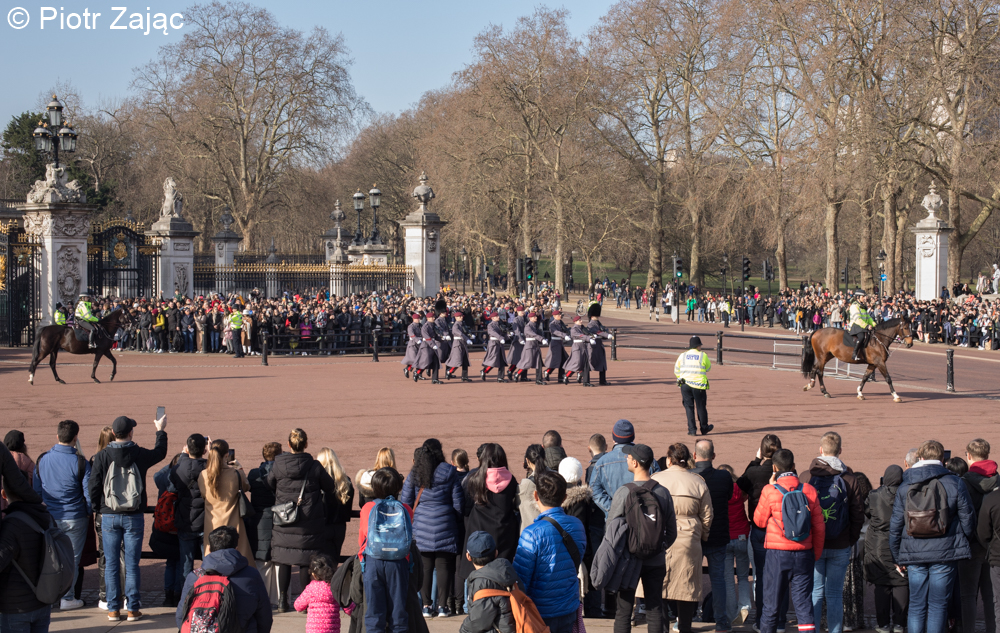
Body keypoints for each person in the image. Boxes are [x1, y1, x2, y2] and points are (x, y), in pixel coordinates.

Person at [889, 440, 976, 633]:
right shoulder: (955, 482)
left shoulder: (905, 485)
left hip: (914, 551)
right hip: (945, 550)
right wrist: (962, 541)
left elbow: (895, 524)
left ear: (920, 457)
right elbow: (968, 518)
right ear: (942, 458)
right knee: (938, 605)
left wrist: (896, 555)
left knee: (916, 604)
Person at [88, 413, 168, 622]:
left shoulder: (102, 456)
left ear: (114, 433)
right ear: (130, 432)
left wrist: (98, 507)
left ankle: (113, 609)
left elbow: (93, 485)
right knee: (132, 564)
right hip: (134, 515)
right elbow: (160, 452)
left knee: (111, 564)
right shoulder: (139, 453)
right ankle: (132, 608)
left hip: (109, 514)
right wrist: (160, 431)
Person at [603, 443, 677, 633]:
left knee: (623, 611)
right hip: (656, 558)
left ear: (635, 463)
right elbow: (672, 531)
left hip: (628, 560)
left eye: (629, 457)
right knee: (655, 609)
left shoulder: (624, 492)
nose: (626, 459)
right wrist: (658, 546)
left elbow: (611, 529)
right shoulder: (662, 492)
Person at [754, 448, 826, 633]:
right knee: (804, 606)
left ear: (774, 468)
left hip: (777, 554)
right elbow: (819, 527)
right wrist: (815, 554)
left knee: (771, 606)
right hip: (804, 553)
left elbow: (759, 521)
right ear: (793, 466)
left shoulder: (770, 491)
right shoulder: (809, 490)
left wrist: (770, 486)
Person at [267, 428, 338, 612]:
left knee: (284, 559)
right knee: (306, 561)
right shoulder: (314, 466)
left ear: (289, 444)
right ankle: (304, 602)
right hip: (309, 521)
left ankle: (282, 601)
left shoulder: (278, 464)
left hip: (285, 519)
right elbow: (329, 486)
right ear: (306, 444)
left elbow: (270, 483)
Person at [803, 432, 866, 633]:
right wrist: (850, 539)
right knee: (835, 594)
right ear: (840, 451)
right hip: (840, 543)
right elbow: (858, 514)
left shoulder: (806, 477)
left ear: (820, 450)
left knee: (815, 592)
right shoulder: (850, 479)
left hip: (814, 543)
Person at [513, 470, 587, 633]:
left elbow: (521, 579)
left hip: (539, 611)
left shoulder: (531, 533)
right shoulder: (577, 525)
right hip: (568, 605)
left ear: (536, 496)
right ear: (565, 497)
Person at [651, 443, 712, 633]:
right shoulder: (698, 482)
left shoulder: (656, 479)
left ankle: (661, 628)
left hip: (660, 537)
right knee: (687, 586)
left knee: (658, 586)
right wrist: (702, 535)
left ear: (669, 460)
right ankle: (684, 627)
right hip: (688, 538)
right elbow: (707, 515)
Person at [32, 419, 91, 612]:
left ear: (57, 436)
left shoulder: (42, 460)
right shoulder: (80, 462)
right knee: (72, 559)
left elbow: (37, 492)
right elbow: (88, 494)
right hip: (75, 517)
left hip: (50, 516)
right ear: (75, 438)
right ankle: (67, 596)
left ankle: (48, 595)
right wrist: (88, 512)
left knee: (49, 558)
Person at [400, 439, 464, 617]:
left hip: (421, 527)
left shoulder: (416, 472)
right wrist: (453, 519)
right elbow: (458, 503)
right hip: (446, 524)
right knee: (444, 567)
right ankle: (443, 606)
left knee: (425, 568)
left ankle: (426, 606)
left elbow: (405, 501)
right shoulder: (449, 471)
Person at [176, 526, 272, 633]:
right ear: (236, 548)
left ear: (209, 549)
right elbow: (264, 615)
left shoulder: (195, 577)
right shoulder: (252, 574)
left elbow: (181, 616)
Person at [458, 444, 520, 609]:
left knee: (475, 571)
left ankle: (470, 606)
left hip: (479, 529)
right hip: (505, 533)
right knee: (502, 573)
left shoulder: (475, 479)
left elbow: (467, 506)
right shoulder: (511, 480)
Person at [737, 434, 787, 632]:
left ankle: (761, 620)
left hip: (760, 528)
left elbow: (740, 484)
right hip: (781, 527)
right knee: (781, 575)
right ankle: (780, 621)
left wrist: (756, 460)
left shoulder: (754, 472)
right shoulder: (785, 471)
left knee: (761, 576)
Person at [358, 467, 414, 633]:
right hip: (398, 562)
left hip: (373, 561)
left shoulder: (368, 508)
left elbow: (362, 539)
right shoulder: (405, 509)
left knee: (374, 615)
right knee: (398, 614)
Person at [0, 480, 58, 633]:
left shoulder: (11, 525)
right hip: (44, 599)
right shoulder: (46, 517)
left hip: (16, 606)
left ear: (4, 494)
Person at [691, 440, 734, 633]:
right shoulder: (724, 477)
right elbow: (728, 496)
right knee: (718, 580)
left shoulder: (690, 477)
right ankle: (721, 622)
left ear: (694, 455)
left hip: (695, 535)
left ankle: (685, 618)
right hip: (718, 535)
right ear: (713, 456)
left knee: (690, 578)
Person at [960, 438, 998, 633]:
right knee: (991, 595)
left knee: (968, 594)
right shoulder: (997, 480)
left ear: (968, 455)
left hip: (971, 543)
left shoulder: (964, 482)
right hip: (993, 544)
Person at [866, 465, 908, 633]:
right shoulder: (907, 494)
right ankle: (899, 623)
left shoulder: (875, 495)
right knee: (901, 582)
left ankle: (883, 624)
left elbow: (867, 512)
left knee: (882, 585)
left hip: (878, 545)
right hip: (901, 544)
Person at [199, 439, 254, 563]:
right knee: (239, 560)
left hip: (212, 523)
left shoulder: (203, 475)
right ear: (227, 454)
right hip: (233, 522)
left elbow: (203, 495)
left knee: (212, 562)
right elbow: (246, 487)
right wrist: (239, 468)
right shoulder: (235, 474)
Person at [591, 420, 659, 515]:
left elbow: (594, 490)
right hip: (644, 517)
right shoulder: (648, 459)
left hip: (615, 520)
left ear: (614, 438)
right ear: (633, 436)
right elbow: (658, 487)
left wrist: (613, 509)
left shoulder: (602, 462)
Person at [460, 531, 523, 633]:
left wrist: (463, 630)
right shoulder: (508, 572)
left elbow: (479, 621)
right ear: (496, 553)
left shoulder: (482, 582)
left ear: (468, 556)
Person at [248, 441, 282, 606]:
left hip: (260, 520)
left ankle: (262, 598)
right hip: (280, 518)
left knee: (262, 561)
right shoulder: (283, 474)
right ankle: (279, 598)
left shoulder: (254, 474)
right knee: (280, 560)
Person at [718, 463, 752, 628]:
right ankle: (744, 606)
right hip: (742, 536)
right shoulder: (739, 490)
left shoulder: (719, 491)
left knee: (728, 579)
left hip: (725, 537)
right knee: (744, 577)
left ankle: (731, 614)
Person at [171, 433, 208, 579]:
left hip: (185, 519)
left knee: (186, 564)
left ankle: (185, 591)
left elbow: (170, 483)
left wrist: (182, 456)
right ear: (204, 450)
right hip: (205, 521)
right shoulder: (209, 467)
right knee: (208, 564)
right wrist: (212, 454)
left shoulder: (178, 468)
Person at [316, 448, 354, 564]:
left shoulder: (318, 481)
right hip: (339, 527)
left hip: (322, 526)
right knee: (334, 561)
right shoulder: (345, 480)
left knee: (320, 564)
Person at [674, 336, 713, 436]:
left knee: (689, 407)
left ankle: (692, 430)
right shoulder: (702, 355)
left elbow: (676, 370)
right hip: (698, 385)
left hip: (685, 384)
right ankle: (704, 428)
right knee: (701, 407)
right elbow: (708, 368)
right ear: (698, 346)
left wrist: (681, 377)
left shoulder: (682, 355)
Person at [294, 554, 340, 633]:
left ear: (313, 574)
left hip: (314, 630)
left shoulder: (311, 588)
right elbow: (347, 605)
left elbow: (298, 605)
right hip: (332, 629)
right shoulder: (335, 588)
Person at [518, 444, 547, 533]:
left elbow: (517, 503)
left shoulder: (525, 485)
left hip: (530, 532)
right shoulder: (555, 476)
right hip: (551, 528)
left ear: (527, 460)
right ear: (545, 458)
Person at [587, 303, 614, 385]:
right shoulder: (591, 324)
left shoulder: (598, 323)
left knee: (602, 363)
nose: (597, 317)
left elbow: (602, 329)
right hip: (593, 346)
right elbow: (597, 331)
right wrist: (606, 335)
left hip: (599, 345)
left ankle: (602, 380)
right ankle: (582, 376)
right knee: (590, 363)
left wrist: (606, 331)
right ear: (592, 316)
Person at [563, 316, 593, 386]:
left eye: (581, 320)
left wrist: (592, 335)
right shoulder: (573, 329)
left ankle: (585, 380)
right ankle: (567, 375)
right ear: (575, 322)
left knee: (585, 364)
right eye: (579, 320)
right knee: (577, 363)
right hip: (577, 347)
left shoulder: (582, 328)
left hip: (584, 346)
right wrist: (588, 338)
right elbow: (580, 335)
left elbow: (587, 333)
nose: (581, 321)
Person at [445, 311, 474, 382]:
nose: (461, 317)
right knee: (458, 360)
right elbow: (460, 334)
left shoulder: (463, 324)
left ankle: (464, 376)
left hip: (463, 343)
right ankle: (449, 371)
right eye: (459, 316)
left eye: (461, 316)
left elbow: (466, 331)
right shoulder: (455, 326)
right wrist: (467, 339)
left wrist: (470, 335)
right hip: (458, 343)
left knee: (465, 361)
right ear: (456, 317)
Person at [543, 311, 571, 383]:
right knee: (556, 360)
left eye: (560, 314)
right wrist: (564, 335)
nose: (560, 315)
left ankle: (561, 377)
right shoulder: (552, 324)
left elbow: (565, 330)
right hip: (555, 343)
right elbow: (556, 332)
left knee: (563, 360)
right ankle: (547, 371)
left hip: (560, 343)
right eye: (558, 315)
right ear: (554, 316)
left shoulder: (561, 322)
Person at [481, 312, 508, 383]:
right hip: (494, 344)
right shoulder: (490, 325)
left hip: (500, 344)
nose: (498, 317)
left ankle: (500, 377)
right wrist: (500, 338)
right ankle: (484, 371)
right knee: (493, 360)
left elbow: (503, 333)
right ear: (492, 318)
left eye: (498, 316)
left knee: (502, 361)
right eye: (496, 316)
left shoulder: (500, 324)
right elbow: (493, 333)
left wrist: (508, 335)